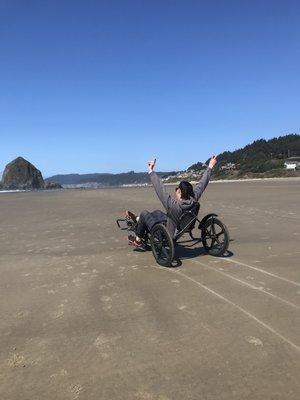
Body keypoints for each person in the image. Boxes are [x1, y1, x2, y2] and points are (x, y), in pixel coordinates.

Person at [126, 155, 218, 248]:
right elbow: (202, 184)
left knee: (144, 213)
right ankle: (138, 220)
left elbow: (160, 189)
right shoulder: (194, 199)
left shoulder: (173, 205)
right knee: (157, 213)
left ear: (179, 191)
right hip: (182, 226)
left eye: (178, 190)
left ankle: (138, 239)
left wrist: (150, 170)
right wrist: (210, 166)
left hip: (167, 233)